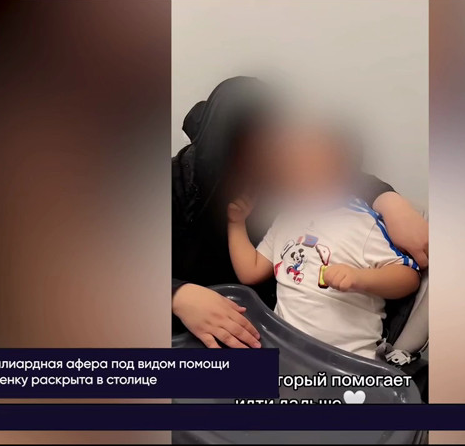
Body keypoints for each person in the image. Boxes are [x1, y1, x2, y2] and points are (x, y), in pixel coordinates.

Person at [172, 77, 428, 350]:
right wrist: (178, 296)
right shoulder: (172, 183)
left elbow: (329, 175)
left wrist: (390, 201)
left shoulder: (282, 180)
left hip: (272, 334)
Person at [226, 124, 420, 358]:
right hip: (283, 350)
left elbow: (408, 278)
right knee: (196, 371)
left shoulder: (362, 222)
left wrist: (360, 278)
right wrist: (236, 223)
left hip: (345, 361)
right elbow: (251, 271)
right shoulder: (285, 218)